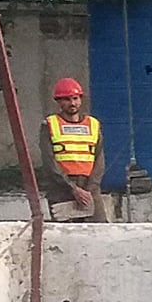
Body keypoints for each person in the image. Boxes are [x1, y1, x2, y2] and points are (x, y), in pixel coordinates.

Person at [43, 78, 110, 220]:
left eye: (75, 98)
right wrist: (73, 189)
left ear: (80, 99)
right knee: (66, 234)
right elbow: (50, 162)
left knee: (98, 231)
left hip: (89, 188)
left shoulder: (93, 124)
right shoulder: (49, 124)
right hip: (61, 188)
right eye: (67, 99)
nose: (72, 103)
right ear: (59, 102)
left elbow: (99, 160)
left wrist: (88, 190)